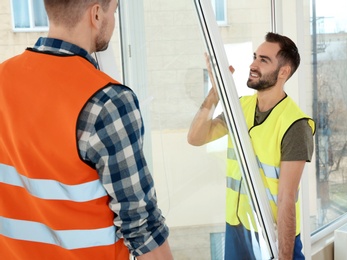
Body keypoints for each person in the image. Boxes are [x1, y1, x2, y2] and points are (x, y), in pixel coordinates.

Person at [0, 0, 173, 259]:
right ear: (96, 14)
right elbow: (142, 227)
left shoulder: (4, 77)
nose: (113, 21)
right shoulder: (109, 101)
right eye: (113, 11)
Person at [187, 32, 315, 259]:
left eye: (263, 60)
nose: (253, 64)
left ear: (283, 72)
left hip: (271, 233)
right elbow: (196, 137)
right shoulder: (241, 108)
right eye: (255, 57)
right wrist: (216, 92)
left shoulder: (295, 125)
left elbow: (286, 198)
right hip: (236, 226)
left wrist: (284, 256)